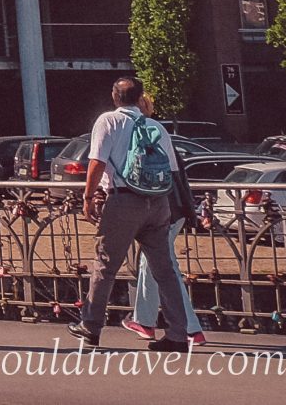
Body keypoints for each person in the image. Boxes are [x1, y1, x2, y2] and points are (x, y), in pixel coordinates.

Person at [77, 77, 187, 353]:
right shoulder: (156, 126)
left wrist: (88, 197)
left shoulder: (108, 121)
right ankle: (178, 334)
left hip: (123, 202)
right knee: (165, 270)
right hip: (158, 202)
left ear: (115, 97)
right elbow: (172, 170)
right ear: (140, 98)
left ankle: (90, 329)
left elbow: (97, 162)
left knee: (105, 265)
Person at [125, 94, 206, 346]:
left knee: (164, 267)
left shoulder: (133, 131)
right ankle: (145, 321)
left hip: (157, 207)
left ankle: (191, 328)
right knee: (152, 264)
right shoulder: (159, 130)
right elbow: (175, 172)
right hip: (174, 205)